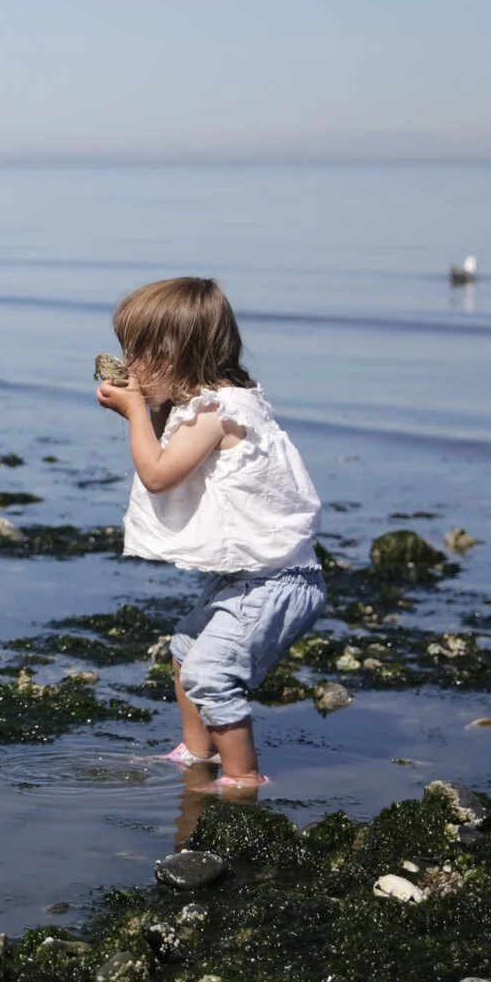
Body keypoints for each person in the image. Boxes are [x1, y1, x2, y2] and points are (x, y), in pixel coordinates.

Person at [96, 277, 324, 790]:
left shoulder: (218, 412)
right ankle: (197, 755)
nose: (128, 364)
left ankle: (243, 779)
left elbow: (158, 473)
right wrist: (146, 407)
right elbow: (164, 445)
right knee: (184, 651)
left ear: (177, 354)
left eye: (138, 352)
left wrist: (134, 413)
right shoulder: (209, 400)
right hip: (248, 575)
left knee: (212, 676)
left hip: (276, 582)